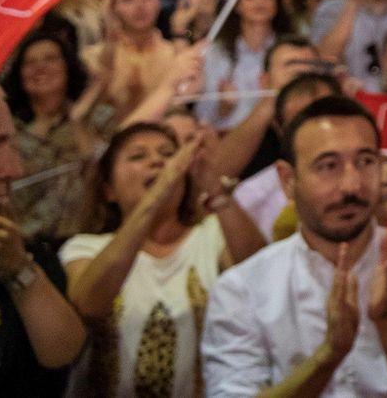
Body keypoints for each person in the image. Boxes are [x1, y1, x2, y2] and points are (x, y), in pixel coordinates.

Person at [200, 94, 387, 397]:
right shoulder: (242, 288)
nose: (351, 186)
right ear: (288, 180)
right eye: (328, 166)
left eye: (365, 162)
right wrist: (327, 356)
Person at [61, 124, 264, 398]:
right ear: (108, 190)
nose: (157, 161)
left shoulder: (213, 235)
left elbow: (263, 281)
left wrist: (216, 190)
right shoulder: (86, 247)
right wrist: (157, 193)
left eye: (168, 154)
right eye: (137, 156)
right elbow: (88, 304)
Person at [0, 88, 87, 397]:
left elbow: (64, 351)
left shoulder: (20, 251)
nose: (14, 170)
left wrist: (19, 269)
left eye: (11, 144)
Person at [2, 27, 115, 245]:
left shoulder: (100, 118)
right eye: (30, 63)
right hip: (25, 247)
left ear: (68, 66)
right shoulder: (8, 131)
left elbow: (107, 179)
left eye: (50, 59)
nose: (40, 68)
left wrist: (79, 121)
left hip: (88, 240)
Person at [230, 71, 341, 238]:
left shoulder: (380, 174)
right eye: (301, 123)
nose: (317, 132)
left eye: (326, 117)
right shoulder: (249, 197)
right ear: (281, 130)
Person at [199, 0, 295, 129]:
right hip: (228, 138)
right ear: (237, 5)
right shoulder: (215, 52)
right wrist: (223, 108)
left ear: (277, 4)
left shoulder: (290, 51)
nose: (259, 3)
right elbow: (202, 117)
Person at [90, 0, 183, 121]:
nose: (139, 6)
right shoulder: (92, 56)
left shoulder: (175, 55)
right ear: (112, 8)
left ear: (158, 1)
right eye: (128, 0)